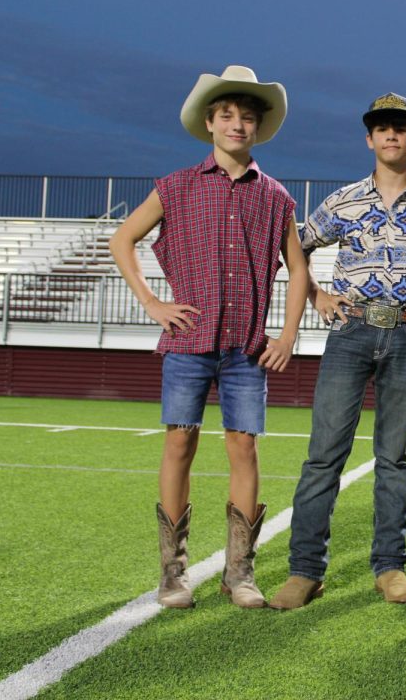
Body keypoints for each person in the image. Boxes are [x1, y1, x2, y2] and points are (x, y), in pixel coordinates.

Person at [109, 65, 308, 609]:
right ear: (209, 121)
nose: (236, 124)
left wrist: (287, 334)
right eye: (227, 115)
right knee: (179, 444)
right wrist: (152, 302)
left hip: (246, 348)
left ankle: (238, 574)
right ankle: (173, 575)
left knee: (244, 448)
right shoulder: (174, 186)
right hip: (188, 342)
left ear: (258, 126)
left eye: (246, 116)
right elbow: (122, 239)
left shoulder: (277, 197)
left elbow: (299, 270)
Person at [271, 93, 406, 610]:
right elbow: (294, 244)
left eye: (400, 128)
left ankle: (389, 567)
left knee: (393, 459)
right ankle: (305, 571)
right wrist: (317, 293)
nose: (391, 136)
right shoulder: (343, 201)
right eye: (382, 128)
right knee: (323, 457)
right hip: (351, 331)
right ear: (369, 138)